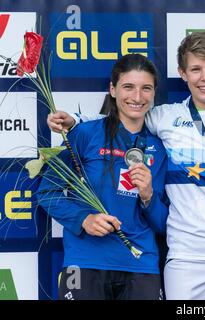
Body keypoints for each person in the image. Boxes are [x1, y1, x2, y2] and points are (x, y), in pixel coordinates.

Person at [47, 32, 205, 300]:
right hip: (184, 256)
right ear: (182, 73)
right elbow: (126, 113)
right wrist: (76, 119)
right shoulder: (166, 118)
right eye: (196, 69)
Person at [38, 54, 169, 300]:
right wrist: (84, 219)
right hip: (86, 261)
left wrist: (149, 197)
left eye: (146, 88)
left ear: (154, 93)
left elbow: (164, 224)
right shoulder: (85, 134)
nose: (137, 97)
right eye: (128, 87)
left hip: (140, 265)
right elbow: (47, 192)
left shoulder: (159, 148)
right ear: (112, 89)